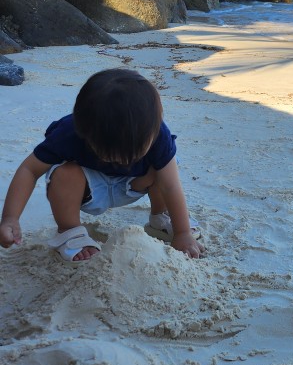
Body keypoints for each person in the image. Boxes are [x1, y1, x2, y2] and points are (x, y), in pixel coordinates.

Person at [0, 68, 203, 261]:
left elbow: (171, 186)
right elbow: (29, 169)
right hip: (87, 190)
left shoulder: (157, 134)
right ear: (84, 132)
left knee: (166, 167)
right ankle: (69, 230)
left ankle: (160, 217)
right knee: (64, 173)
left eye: (134, 152)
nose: (124, 160)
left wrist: (183, 233)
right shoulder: (69, 133)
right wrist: (10, 218)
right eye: (111, 154)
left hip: (134, 184)